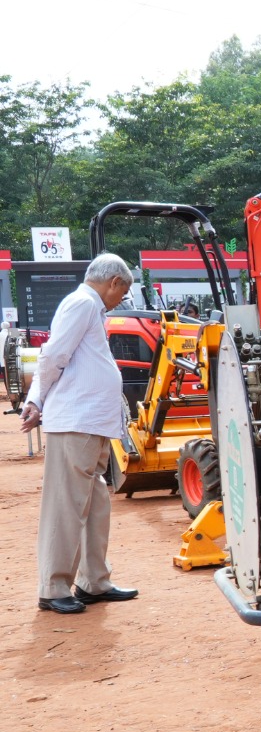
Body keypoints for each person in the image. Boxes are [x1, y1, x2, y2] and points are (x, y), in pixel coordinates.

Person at [21, 254, 141, 615]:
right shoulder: (81, 303)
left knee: (94, 505)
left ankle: (93, 581)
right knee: (66, 506)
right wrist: (36, 399)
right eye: (124, 291)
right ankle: (53, 586)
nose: (122, 298)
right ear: (114, 282)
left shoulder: (90, 307)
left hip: (90, 423)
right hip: (76, 421)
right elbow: (52, 355)